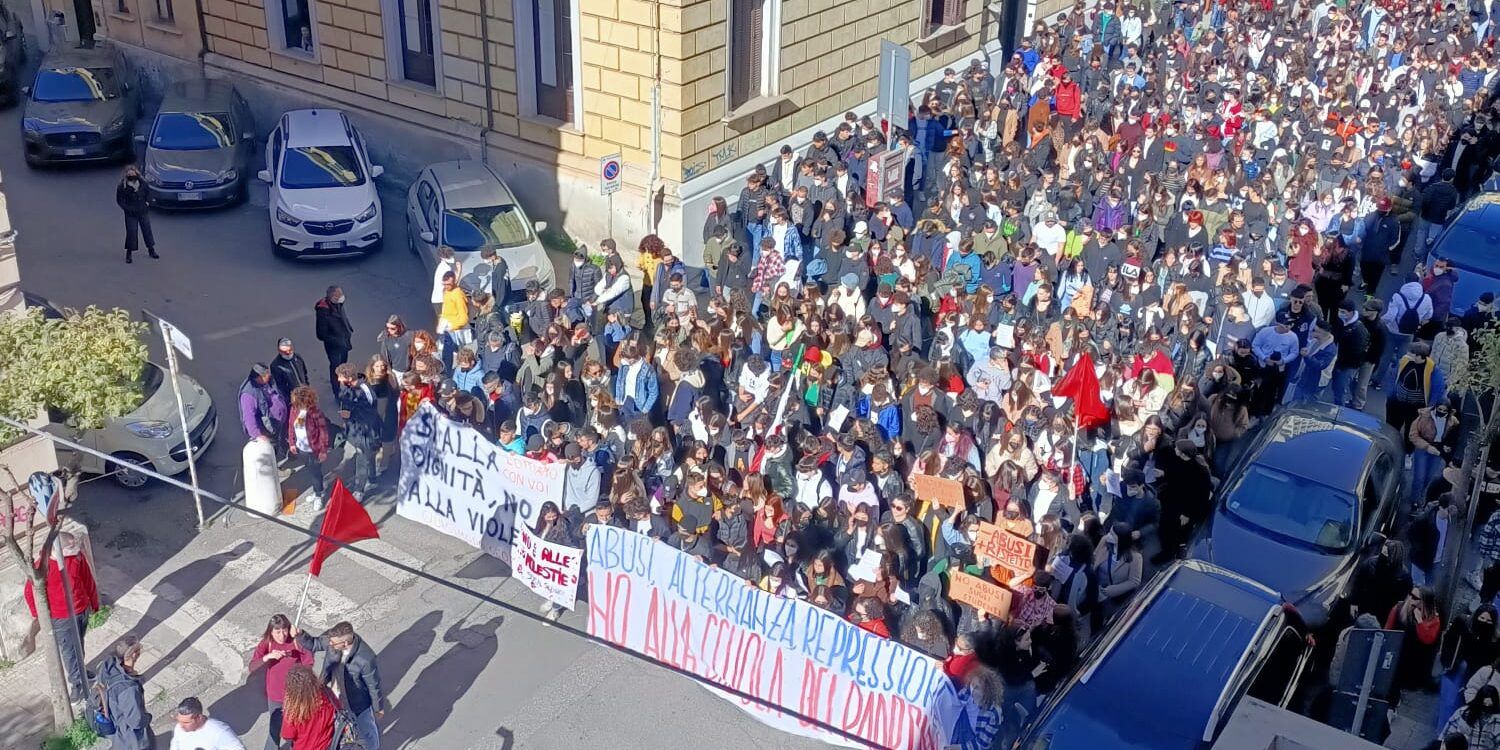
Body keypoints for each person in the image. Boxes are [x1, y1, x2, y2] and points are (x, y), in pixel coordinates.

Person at [23, 531, 98, 701]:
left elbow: (88, 580)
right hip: (61, 618)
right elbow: (29, 592)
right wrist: (40, 616)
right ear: (56, 550)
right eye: (70, 549)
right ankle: (77, 685)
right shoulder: (42, 567)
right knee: (69, 652)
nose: (76, 551)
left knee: (79, 644)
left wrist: (93, 603)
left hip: (81, 610)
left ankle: (81, 670)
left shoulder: (76, 557)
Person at [293, 621, 384, 750]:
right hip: (336, 699)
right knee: (339, 731)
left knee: (367, 731)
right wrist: (300, 634)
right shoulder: (334, 640)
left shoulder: (366, 659)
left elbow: (374, 686)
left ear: (345, 643)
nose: (330, 645)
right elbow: (314, 643)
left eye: (333, 644)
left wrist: (378, 707)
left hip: (357, 703)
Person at [249, 613, 311, 750]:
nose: (282, 635)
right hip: (275, 696)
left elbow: (309, 662)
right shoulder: (268, 643)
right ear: (271, 632)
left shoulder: (295, 641)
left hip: (295, 694)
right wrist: (268, 657)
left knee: (298, 727)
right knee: (274, 729)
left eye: (284, 630)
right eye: (277, 632)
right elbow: (252, 667)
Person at [98, 634, 154, 750]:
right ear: (134, 654)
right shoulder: (129, 688)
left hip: (114, 727)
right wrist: (147, 718)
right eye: (139, 649)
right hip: (130, 738)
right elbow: (136, 721)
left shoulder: (108, 668)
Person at [336, 363, 382, 498]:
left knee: (361, 459)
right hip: (356, 429)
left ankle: (359, 490)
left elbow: (371, 412)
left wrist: (351, 415)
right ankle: (372, 479)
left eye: (340, 377)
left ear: (349, 378)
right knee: (369, 455)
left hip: (366, 431)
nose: (338, 380)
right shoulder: (347, 387)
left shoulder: (365, 390)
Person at [286, 386, 332, 511]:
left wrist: (323, 450)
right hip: (302, 449)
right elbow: (291, 426)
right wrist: (291, 442)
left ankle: (318, 494)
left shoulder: (316, 413)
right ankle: (320, 487)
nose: (293, 403)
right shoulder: (294, 410)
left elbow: (323, 432)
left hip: (314, 450)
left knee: (315, 473)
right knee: (312, 471)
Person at [276, 665, 338, 750]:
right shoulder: (327, 695)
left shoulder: (293, 711)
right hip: (327, 745)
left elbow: (287, 736)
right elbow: (337, 709)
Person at [239, 364, 289, 457]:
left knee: (279, 441)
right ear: (258, 377)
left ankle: (283, 449)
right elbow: (249, 418)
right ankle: (276, 468)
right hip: (267, 429)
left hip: (278, 423)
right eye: (266, 375)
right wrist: (258, 435)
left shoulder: (268, 381)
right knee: (271, 452)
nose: (269, 376)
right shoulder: (249, 394)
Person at [314, 286, 354, 392]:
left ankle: (344, 383)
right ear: (332, 296)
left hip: (344, 341)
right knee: (336, 368)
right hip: (334, 347)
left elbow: (342, 318)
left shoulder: (337, 304)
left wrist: (348, 329)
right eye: (339, 295)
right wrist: (337, 341)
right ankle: (337, 391)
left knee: (343, 365)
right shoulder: (323, 312)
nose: (342, 296)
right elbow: (321, 334)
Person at [169, 696, 246, 750]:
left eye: (186, 722)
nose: (181, 726)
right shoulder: (179, 728)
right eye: (179, 721)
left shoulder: (220, 731)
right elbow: (175, 744)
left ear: (199, 717)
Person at [115, 166, 157, 263]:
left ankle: (151, 250)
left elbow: (148, 194)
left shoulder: (143, 184)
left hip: (143, 211)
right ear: (126, 175)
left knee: (147, 231)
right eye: (129, 175)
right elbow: (120, 200)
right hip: (131, 213)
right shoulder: (122, 186)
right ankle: (129, 254)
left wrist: (148, 203)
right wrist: (127, 209)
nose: (131, 176)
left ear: (136, 174)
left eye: (133, 174)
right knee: (131, 233)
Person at [269, 338, 311, 404]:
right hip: (292, 398)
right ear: (279, 351)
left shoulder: (298, 358)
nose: (288, 353)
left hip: (305, 393)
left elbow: (304, 373)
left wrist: (307, 387)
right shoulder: (276, 365)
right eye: (285, 352)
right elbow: (280, 386)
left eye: (290, 350)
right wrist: (290, 399)